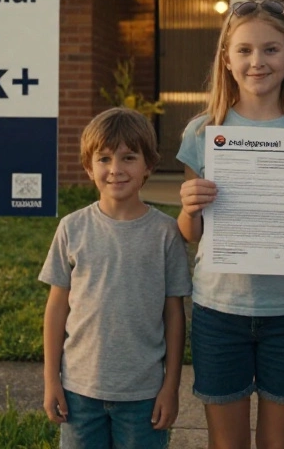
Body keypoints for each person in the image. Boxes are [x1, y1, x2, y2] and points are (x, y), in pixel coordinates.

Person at [176, 0, 284, 449]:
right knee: (225, 443)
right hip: (219, 309)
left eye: (271, 49)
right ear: (227, 59)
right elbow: (192, 235)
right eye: (245, 50)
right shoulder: (202, 133)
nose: (258, 61)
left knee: (279, 443)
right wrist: (189, 208)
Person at [40, 107, 191, 449]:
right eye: (104, 159)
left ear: (148, 165)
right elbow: (55, 309)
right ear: (88, 168)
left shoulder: (166, 233)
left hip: (144, 395)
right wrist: (52, 380)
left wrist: (171, 386)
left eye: (128, 157)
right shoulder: (72, 228)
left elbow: (174, 314)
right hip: (80, 390)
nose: (116, 169)